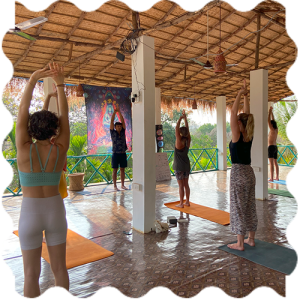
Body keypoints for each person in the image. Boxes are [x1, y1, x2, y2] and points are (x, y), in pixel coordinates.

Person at [16, 62, 70, 298]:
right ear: (55, 131)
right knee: (60, 269)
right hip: (55, 210)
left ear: (30, 129)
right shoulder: (60, 148)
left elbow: (22, 110)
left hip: (29, 213)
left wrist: (32, 80)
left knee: (30, 274)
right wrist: (60, 83)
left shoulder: (23, 148)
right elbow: (65, 115)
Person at [228, 79, 257, 251]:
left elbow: (233, 113)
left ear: (239, 123)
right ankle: (251, 239)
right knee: (249, 205)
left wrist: (239, 94)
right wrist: (246, 95)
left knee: (238, 207)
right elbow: (247, 114)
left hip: (238, 174)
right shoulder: (249, 134)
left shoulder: (237, 136)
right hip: (249, 173)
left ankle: (240, 243)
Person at [42, 86, 68, 199]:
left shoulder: (51, 142)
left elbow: (62, 116)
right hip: (55, 176)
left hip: (55, 176)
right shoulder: (58, 143)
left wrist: (50, 97)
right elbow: (63, 115)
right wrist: (51, 96)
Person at [173, 109, 191, 208]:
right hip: (186, 165)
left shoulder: (179, 141)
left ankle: (181, 203)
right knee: (186, 184)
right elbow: (187, 130)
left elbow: (176, 128)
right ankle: (187, 202)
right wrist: (185, 119)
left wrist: (180, 118)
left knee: (180, 185)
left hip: (179, 166)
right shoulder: (188, 141)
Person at [110, 103, 128, 191]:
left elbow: (123, 121)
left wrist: (119, 112)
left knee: (122, 170)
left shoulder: (123, 132)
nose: (120, 127)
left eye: (120, 126)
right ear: (115, 127)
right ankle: (114, 186)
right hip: (115, 154)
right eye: (118, 126)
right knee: (114, 170)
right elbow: (111, 122)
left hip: (123, 153)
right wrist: (114, 113)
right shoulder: (113, 132)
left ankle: (122, 185)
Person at [268, 106, 279, 181]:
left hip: (271, 147)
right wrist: (272, 113)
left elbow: (268, 120)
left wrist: (269, 111)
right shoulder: (276, 130)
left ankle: (271, 178)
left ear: (271, 125)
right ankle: (277, 177)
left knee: (271, 163)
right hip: (275, 147)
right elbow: (273, 120)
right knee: (275, 163)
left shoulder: (271, 130)